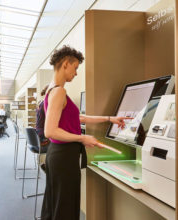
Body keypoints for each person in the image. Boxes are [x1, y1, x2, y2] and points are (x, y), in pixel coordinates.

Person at [41, 45, 131, 220]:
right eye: (75, 68)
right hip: (64, 156)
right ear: (66, 64)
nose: (75, 74)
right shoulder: (59, 91)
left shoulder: (52, 90)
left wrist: (109, 118)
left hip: (58, 154)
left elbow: (79, 118)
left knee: (57, 203)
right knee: (65, 206)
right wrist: (83, 138)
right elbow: (50, 131)